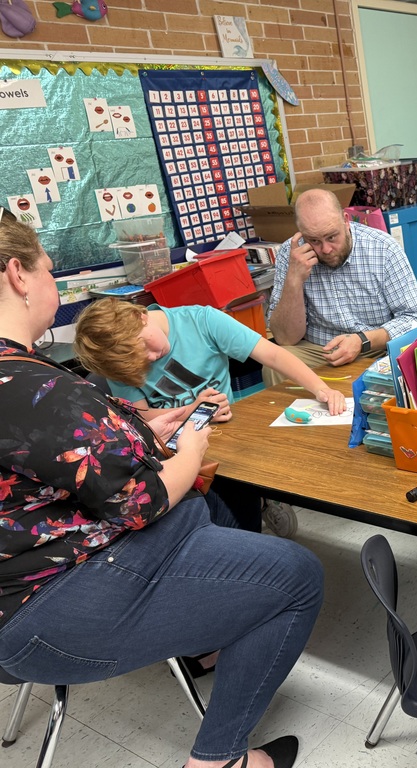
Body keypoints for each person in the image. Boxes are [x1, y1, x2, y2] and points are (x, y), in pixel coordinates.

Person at [0, 212, 323, 768]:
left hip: (28, 595)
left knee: (220, 520)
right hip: (53, 604)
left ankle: (215, 632)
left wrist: (142, 431)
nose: (53, 283)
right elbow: (140, 501)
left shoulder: (26, 381)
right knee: (296, 576)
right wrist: (193, 446)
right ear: (18, 275)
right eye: (50, 270)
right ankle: (221, 759)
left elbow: (50, 464)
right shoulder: (35, 385)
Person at [73, 297, 348, 537]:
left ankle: (262, 503)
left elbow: (273, 354)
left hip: (227, 434)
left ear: (139, 316)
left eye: (147, 347)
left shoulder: (202, 320)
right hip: (170, 444)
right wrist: (194, 409)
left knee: (241, 501)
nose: (151, 357)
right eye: (140, 361)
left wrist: (321, 388)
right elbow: (141, 415)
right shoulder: (118, 359)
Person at [264, 188, 417, 386]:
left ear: (346, 220)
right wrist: (294, 280)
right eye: (314, 240)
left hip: (375, 347)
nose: (325, 249)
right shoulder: (291, 255)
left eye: (332, 237)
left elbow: (415, 320)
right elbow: (285, 338)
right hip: (319, 350)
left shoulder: (383, 248)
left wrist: (362, 341)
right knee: (274, 363)